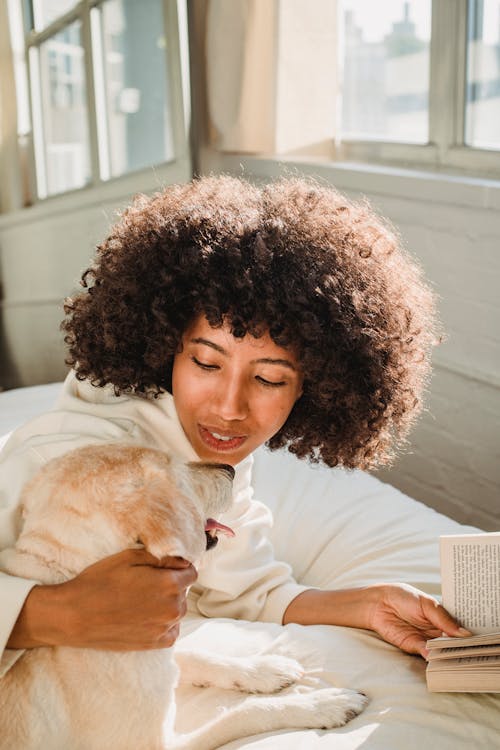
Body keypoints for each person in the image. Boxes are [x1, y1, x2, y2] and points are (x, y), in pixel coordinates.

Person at [0, 176, 469, 677]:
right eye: (206, 363)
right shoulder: (58, 456)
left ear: (314, 387)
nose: (229, 407)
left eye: (268, 378)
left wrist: (370, 606)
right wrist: (55, 616)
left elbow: (245, 591)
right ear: (166, 351)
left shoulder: (210, 454)